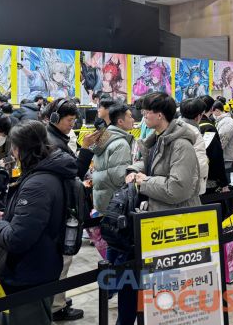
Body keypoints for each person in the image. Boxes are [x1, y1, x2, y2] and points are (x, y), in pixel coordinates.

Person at [0, 121, 75, 325]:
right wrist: (6, 216)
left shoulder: (37, 184)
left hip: (30, 272)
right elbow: (36, 220)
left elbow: (17, 239)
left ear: (18, 149)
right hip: (41, 265)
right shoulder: (47, 173)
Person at [43, 98, 94, 322]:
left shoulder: (52, 137)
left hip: (57, 205)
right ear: (55, 118)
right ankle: (57, 306)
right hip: (60, 207)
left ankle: (57, 298)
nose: (72, 125)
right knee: (62, 260)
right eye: (69, 120)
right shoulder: (53, 143)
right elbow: (73, 171)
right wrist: (86, 149)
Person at [90, 103, 136, 325]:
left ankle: (108, 287)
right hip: (116, 205)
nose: (133, 119)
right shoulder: (121, 143)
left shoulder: (104, 138)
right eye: (130, 116)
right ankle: (111, 286)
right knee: (121, 249)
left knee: (112, 246)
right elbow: (120, 177)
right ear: (120, 121)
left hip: (103, 200)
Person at [126, 92, 200, 212]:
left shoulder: (181, 145)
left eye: (146, 112)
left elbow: (177, 189)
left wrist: (145, 181)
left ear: (160, 115)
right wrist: (134, 170)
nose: (144, 116)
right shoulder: (157, 139)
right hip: (160, 211)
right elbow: (152, 163)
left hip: (178, 215)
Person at [178, 98, 210, 195]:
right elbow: (201, 165)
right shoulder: (194, 133)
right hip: (190, 186)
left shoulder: (174, 127)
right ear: (197, 116)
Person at [199, 96, 229, 194]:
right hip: (208, 177)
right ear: (212, 108)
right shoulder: (209, 128)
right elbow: (216, 156)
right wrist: (224, 182)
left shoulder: (188, 125)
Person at [212, 100, 233, 177]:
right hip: (223, 156)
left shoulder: (227, 122)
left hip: (226, 156)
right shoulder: (222, 121)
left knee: (226, 178)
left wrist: (214, 153)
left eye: (212, 112)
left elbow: (222, 140)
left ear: (217, 110)